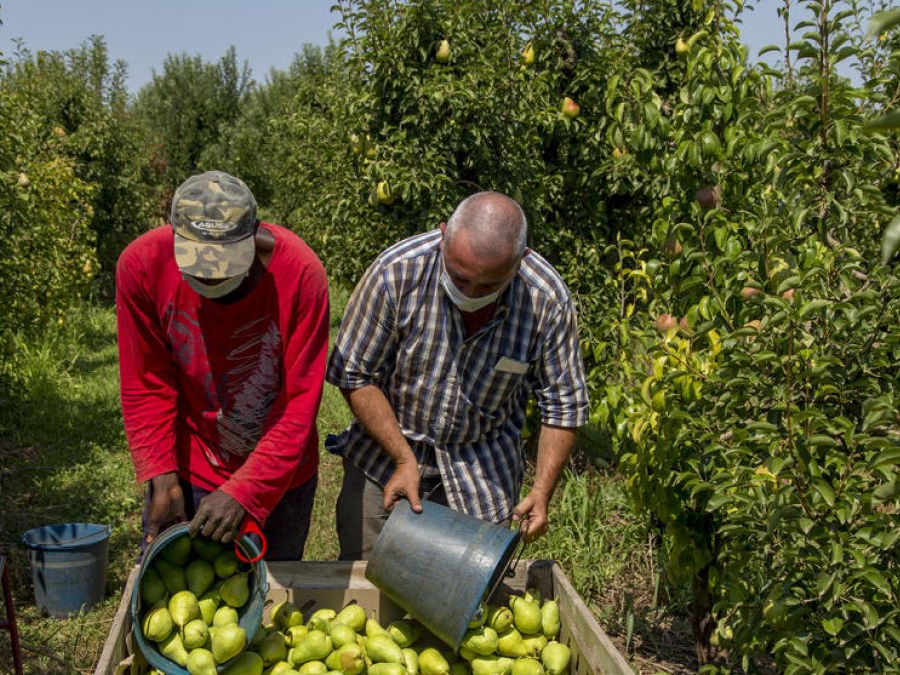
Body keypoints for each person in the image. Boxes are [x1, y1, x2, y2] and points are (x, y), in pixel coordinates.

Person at [326, 191, 589, 560]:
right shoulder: (397, 272)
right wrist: (403, 459)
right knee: (367, 586)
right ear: (443, 234)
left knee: (460, 600)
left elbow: (564, 405)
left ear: (520, 262)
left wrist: (542, 491)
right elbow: (353, 372)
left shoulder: (545, 299)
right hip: (383, 457)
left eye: (487, 287)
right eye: (460, 278)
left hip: (481, 471)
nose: (469, 294)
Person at [117, 170, 329, 560]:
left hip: (280, 475)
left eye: (223, 271)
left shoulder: (300, 275)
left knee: (271, 602)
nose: (209, 281)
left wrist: (246, 491)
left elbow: (298, 404)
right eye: (197, 270)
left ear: (252, 237)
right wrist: (162, 476)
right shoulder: (143, 265)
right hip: (189, 468)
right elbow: (147, 381)